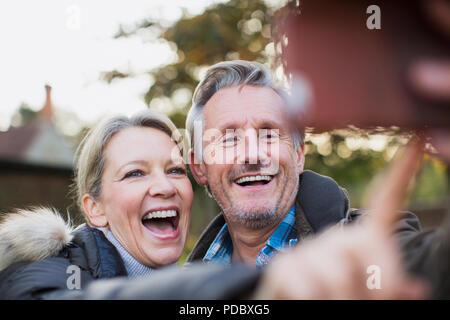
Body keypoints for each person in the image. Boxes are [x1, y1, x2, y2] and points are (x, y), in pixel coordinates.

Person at [185, 60, 421, 269]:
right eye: (229, 139)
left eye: (269, 135)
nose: (253, 154)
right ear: (199, 167)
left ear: (298, 155)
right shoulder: (185, 285)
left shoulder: (374, 244)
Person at [0, 109, 195, 298]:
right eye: (135, 173)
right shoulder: (55, 276)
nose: (166, 187)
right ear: (95, 209)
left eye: (176, 170)